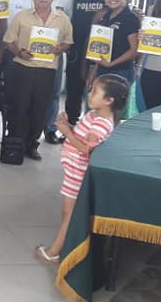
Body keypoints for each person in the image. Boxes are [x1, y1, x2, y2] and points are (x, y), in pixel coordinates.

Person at [36, 74, 128, 261]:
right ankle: (66, 245)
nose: (89, 94)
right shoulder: (95, 115)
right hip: (74, 170)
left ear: (109, 100)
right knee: (68, 212)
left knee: (69, 214)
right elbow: (82, 135)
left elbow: (87, 149)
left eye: (95, 92)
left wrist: (67, 133)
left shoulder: (101, 123)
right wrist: (67, 125)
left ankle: (54, 251)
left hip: (78, 172)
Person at [2, 0, 74, 161]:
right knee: (19, 108)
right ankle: (15, 144)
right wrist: (19, 52)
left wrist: (59, 49)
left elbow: (67, 42)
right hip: (23, 69)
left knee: (40, 110)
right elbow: (8, 41)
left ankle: (32, 145)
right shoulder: (21, 17)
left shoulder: (62, 19)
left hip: (47, 71)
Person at [64, 0, 110, 124]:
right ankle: (71, 126)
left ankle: (96, 128)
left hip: (101, 49)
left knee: (100, 92)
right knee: (73, 90)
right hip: (76, 48)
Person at [39, 0, 73, 144]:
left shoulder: (66, 0)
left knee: (53, 93)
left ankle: (50, 129)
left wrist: (61, 47)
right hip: (34, 53)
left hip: (56, 54)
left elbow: (68, 27)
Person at [85, 0, 140, 86]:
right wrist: (93, 74)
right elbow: (102, 50)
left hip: (121, 72)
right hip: (102, 70)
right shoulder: (106, 17)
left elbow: (135, 50)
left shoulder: (130, 18)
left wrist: (111, 64)